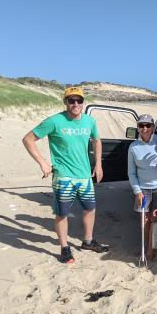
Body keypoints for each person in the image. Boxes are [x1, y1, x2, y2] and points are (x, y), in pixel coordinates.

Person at [22, 87, 108, 264]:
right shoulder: (54, 121)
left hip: (84, 174)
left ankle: (88, 241)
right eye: (71, 100)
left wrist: (98, 164)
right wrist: (43, 162)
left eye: (79, 100)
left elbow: (97, 140)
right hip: (64, 175)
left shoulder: (89, 121)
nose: (75, 104)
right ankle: (65, 248)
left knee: (90, 208)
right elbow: (28, 139)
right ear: (65, 102)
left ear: (83, 103)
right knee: (63, 213)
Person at [128, 114, 157, 259]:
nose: (145, 128)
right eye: (141, 126)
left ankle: (150, 250)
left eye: (148, 125)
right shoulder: (133, 147)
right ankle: (146, 247)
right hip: (143, 190)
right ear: (138, 128)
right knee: (145, 221)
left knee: (154, 220)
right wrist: (137, 191)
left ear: (153, 127)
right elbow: (131, 173)